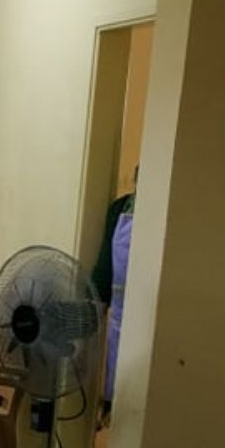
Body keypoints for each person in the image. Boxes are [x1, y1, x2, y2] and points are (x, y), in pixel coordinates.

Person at [92, 171, 136, 418]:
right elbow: (105, 260)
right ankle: (111, 408)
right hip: (119, 305)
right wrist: (96, 299)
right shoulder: (120, 208)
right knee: (117, 364)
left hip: (149, 308)